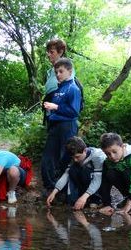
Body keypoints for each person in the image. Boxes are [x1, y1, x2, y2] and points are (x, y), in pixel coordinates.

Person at [41, 57, 82, 195]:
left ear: (69, 72)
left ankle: (65, 190)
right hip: (55, 125)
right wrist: (50, 109)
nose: (58, 74)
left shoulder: (73, 88)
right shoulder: (60, 88)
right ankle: (50, 187)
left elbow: (74, 112)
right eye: (56, 72)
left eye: (61, 71)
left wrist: (56, 107)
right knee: (48, 157)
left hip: (67, 126)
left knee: (65, 156)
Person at [46, 136, 106, 210]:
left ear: (85, 150)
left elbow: (97, 179)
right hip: (87, 180)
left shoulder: (97, 156)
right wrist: (54, 192)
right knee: (72, 170)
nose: (75, 160)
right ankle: (82, 197)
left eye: (77, 157)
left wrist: (84, 197)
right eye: (73, 157)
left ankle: (96, 199)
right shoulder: (75, 157)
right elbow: (66, 175)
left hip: (101, 180)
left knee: (86, 170)